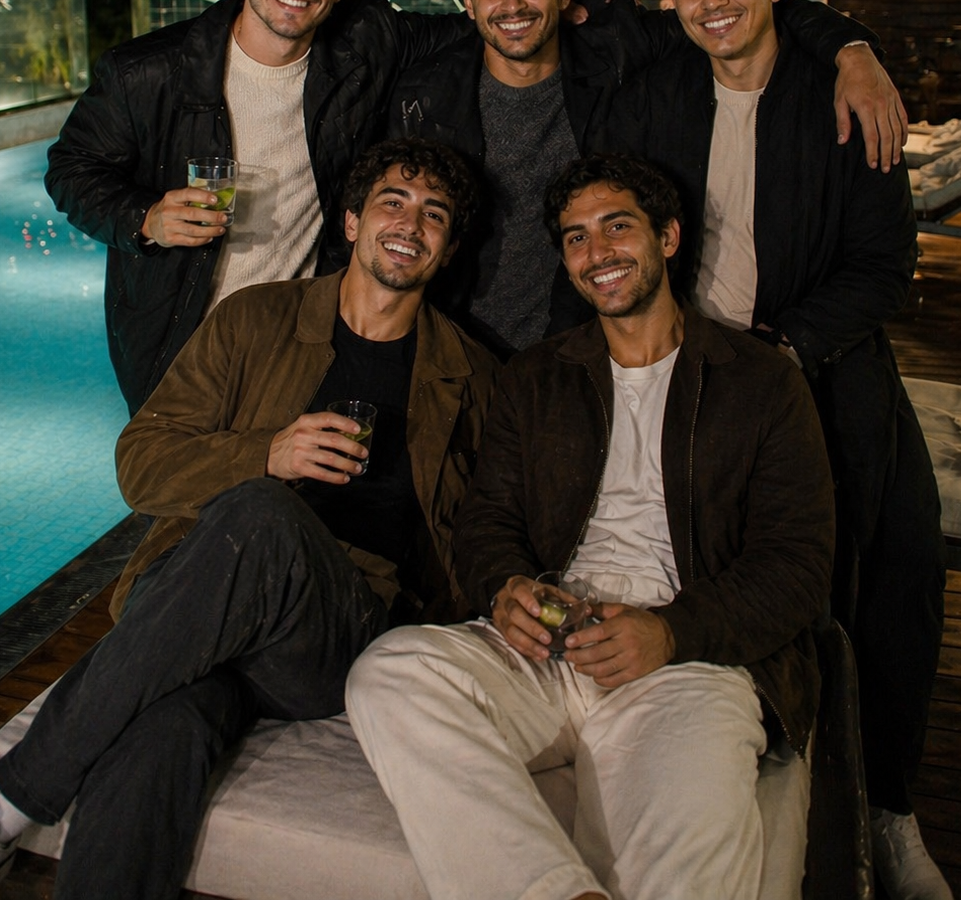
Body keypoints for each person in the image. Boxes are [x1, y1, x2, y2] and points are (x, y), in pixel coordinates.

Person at [0, 140, 497, 900]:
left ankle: (3, 801)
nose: (410, 224)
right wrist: (268, 452)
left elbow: (492, 529)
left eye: (434, 215)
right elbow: (142, 464)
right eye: (393, 201)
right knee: (160, 731)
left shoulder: (471, 375)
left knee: (263, 514)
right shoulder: (254, 320)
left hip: (331, 631)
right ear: (353, 223)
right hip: (206, 613)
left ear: (449, 248)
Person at [346, 153, 835, 900]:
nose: (596, 252)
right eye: (575, 238)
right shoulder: (537, 377)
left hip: (683, 656)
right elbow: (486, 523)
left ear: (667, 237)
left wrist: (671, 631)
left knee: (686, 852)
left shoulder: (760, 380)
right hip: (549, 643)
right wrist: (504, 588)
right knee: (391, 673)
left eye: (616, 228)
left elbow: (797, 565)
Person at [615, 0, 949, 900]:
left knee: (886, 582)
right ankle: (757, 772)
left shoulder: (841, 98)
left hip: (818, 369)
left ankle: (888, 807)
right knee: (714, 580)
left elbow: (886, 267)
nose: (712, 0)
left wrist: (786, 347)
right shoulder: (653, 89)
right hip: (686, 386)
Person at [390, 0, 907, 355]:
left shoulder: (620, 56)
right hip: (456, 343)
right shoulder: (426, 94)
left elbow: (744, 18)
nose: (512, 5)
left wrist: (852, 50)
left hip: (589, 341)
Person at [46, 0, 466, 414]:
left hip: (298, 345)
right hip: (182, 339)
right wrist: (146, 217)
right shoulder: (146, 72)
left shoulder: (364, 41)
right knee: (173, 489)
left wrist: (587, 11)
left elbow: (483, 24)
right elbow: (70, 169)